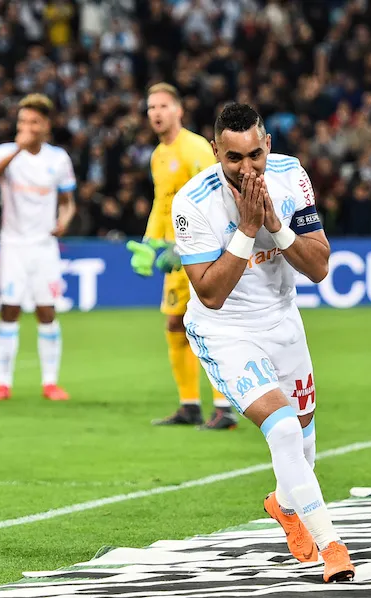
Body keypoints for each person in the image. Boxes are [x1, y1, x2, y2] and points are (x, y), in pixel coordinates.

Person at [171, 103, 355, 582]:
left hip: (283, 320)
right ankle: (332, 546)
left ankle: (284, 505)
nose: (247, 168)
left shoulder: (291, 175)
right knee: (285, 431)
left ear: (267, 144)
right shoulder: (193, 201)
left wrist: (274, 223)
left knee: (305, 435)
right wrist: (247, 229)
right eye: (234, 159)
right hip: (226, 331)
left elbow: (317, 267)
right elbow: (209, 294)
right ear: (216, 152)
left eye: (256, 154)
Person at [126, 83, 238, 430]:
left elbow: (217, 199)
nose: (155, 113)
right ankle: (189, 405)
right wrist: (149, 243)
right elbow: (163, 204)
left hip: (203, 253)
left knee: (211, 326)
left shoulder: (196, 149)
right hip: (177, 257)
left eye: (162, 106)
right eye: (150, 108)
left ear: (178, 110)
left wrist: (195, 245)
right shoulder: (158, 155)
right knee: (176, 324)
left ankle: (225, 408)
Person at [0, 94, 76, 401]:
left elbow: (67, 202)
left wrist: (63, 220)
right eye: (22, 121)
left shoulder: (58, 159)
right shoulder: (6, 152)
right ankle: (3, 382)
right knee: (8, 309)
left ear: (46, 125)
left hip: (44, 246)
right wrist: (18, 151)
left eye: (33, 122)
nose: (27, 126)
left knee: (46, 310)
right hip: (12, 244)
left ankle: (50, 382)